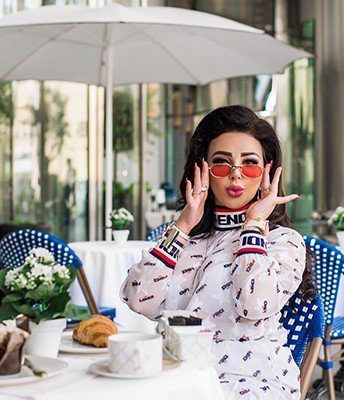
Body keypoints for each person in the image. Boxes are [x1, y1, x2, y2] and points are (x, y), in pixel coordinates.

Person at [120, 105, 316, 400]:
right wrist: (185, 223)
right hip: (173, 374)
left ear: (266, 173)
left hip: (250, 380)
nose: (236, 176)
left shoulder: (283, 242)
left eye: (249, 164)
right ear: (203, 170)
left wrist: (254, 224)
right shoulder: (185, 237)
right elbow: (139, 300)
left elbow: (253, 304)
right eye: (221, 164)